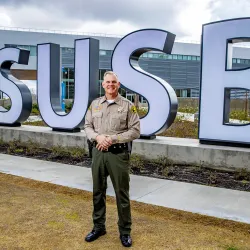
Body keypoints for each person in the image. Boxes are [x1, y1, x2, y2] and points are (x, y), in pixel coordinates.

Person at [84, 71, 140, 247]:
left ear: (118, 84)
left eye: (113, 82)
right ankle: (98, 227)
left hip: (118, 155)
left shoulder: (128, 105)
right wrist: (98, 137)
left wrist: (112, 139)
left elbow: (135, 130)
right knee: (97, 192)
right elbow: (87, 126)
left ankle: (125, 232)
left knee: (121, 193)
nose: (110, 85)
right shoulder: (94, 105)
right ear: (103, 84)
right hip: (98, 153)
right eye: (107, 82)